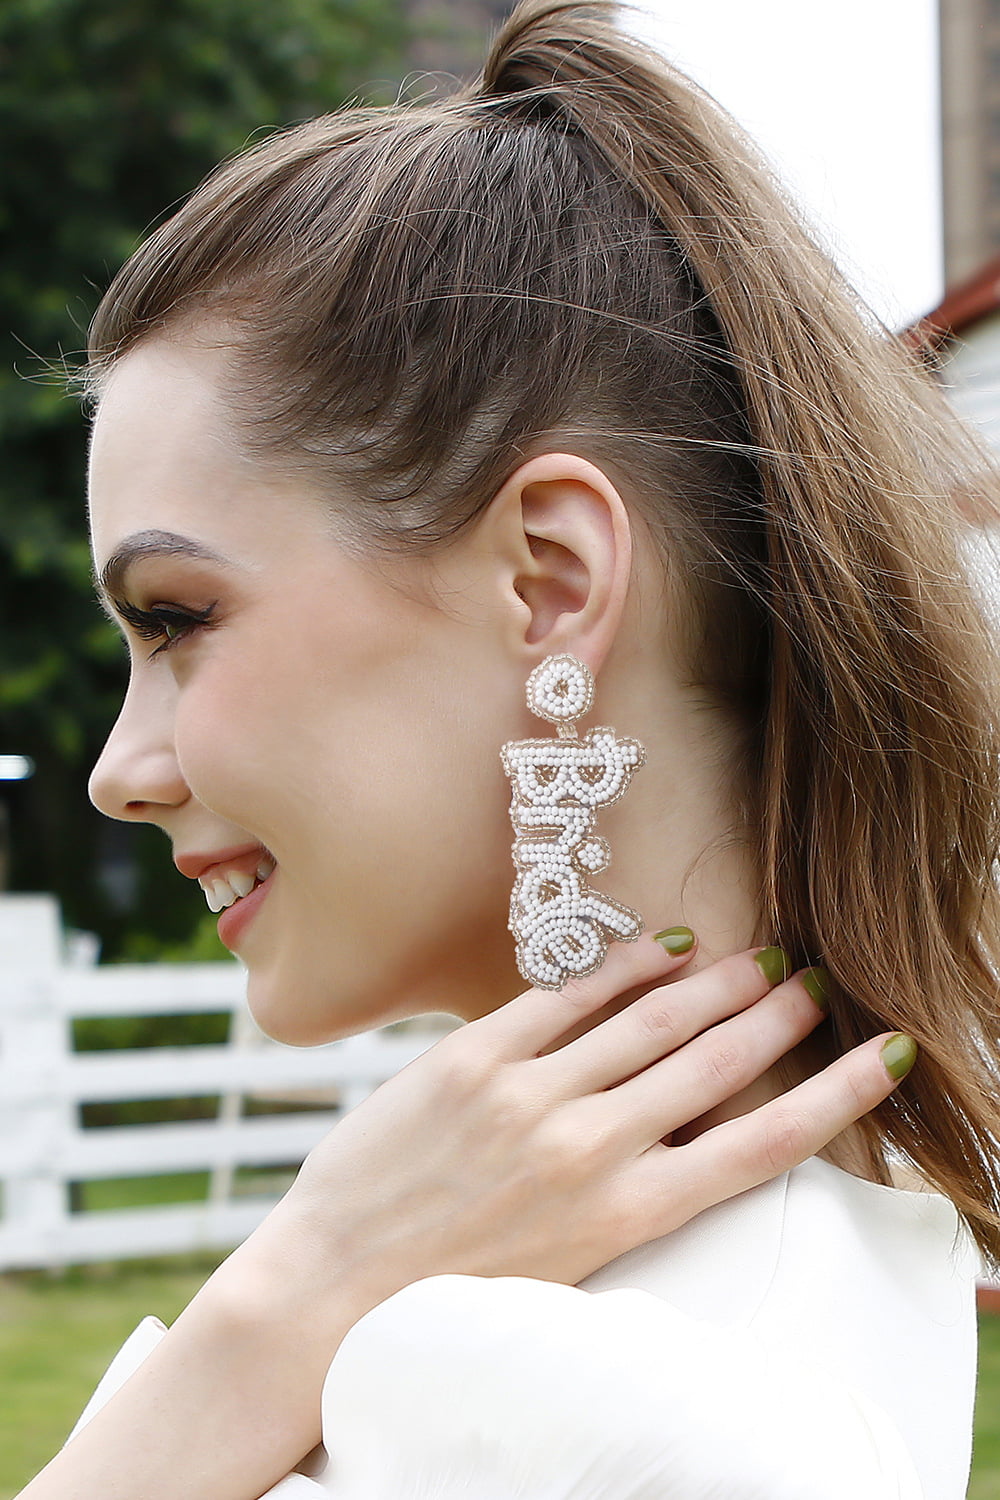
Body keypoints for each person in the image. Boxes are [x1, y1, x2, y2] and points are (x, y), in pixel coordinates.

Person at [16, 1, 1000, 1495]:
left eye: (178, 616)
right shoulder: (831, 1272)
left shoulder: (526, 1396)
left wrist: (274, 1318)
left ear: (548, 581)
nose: (120, 770)